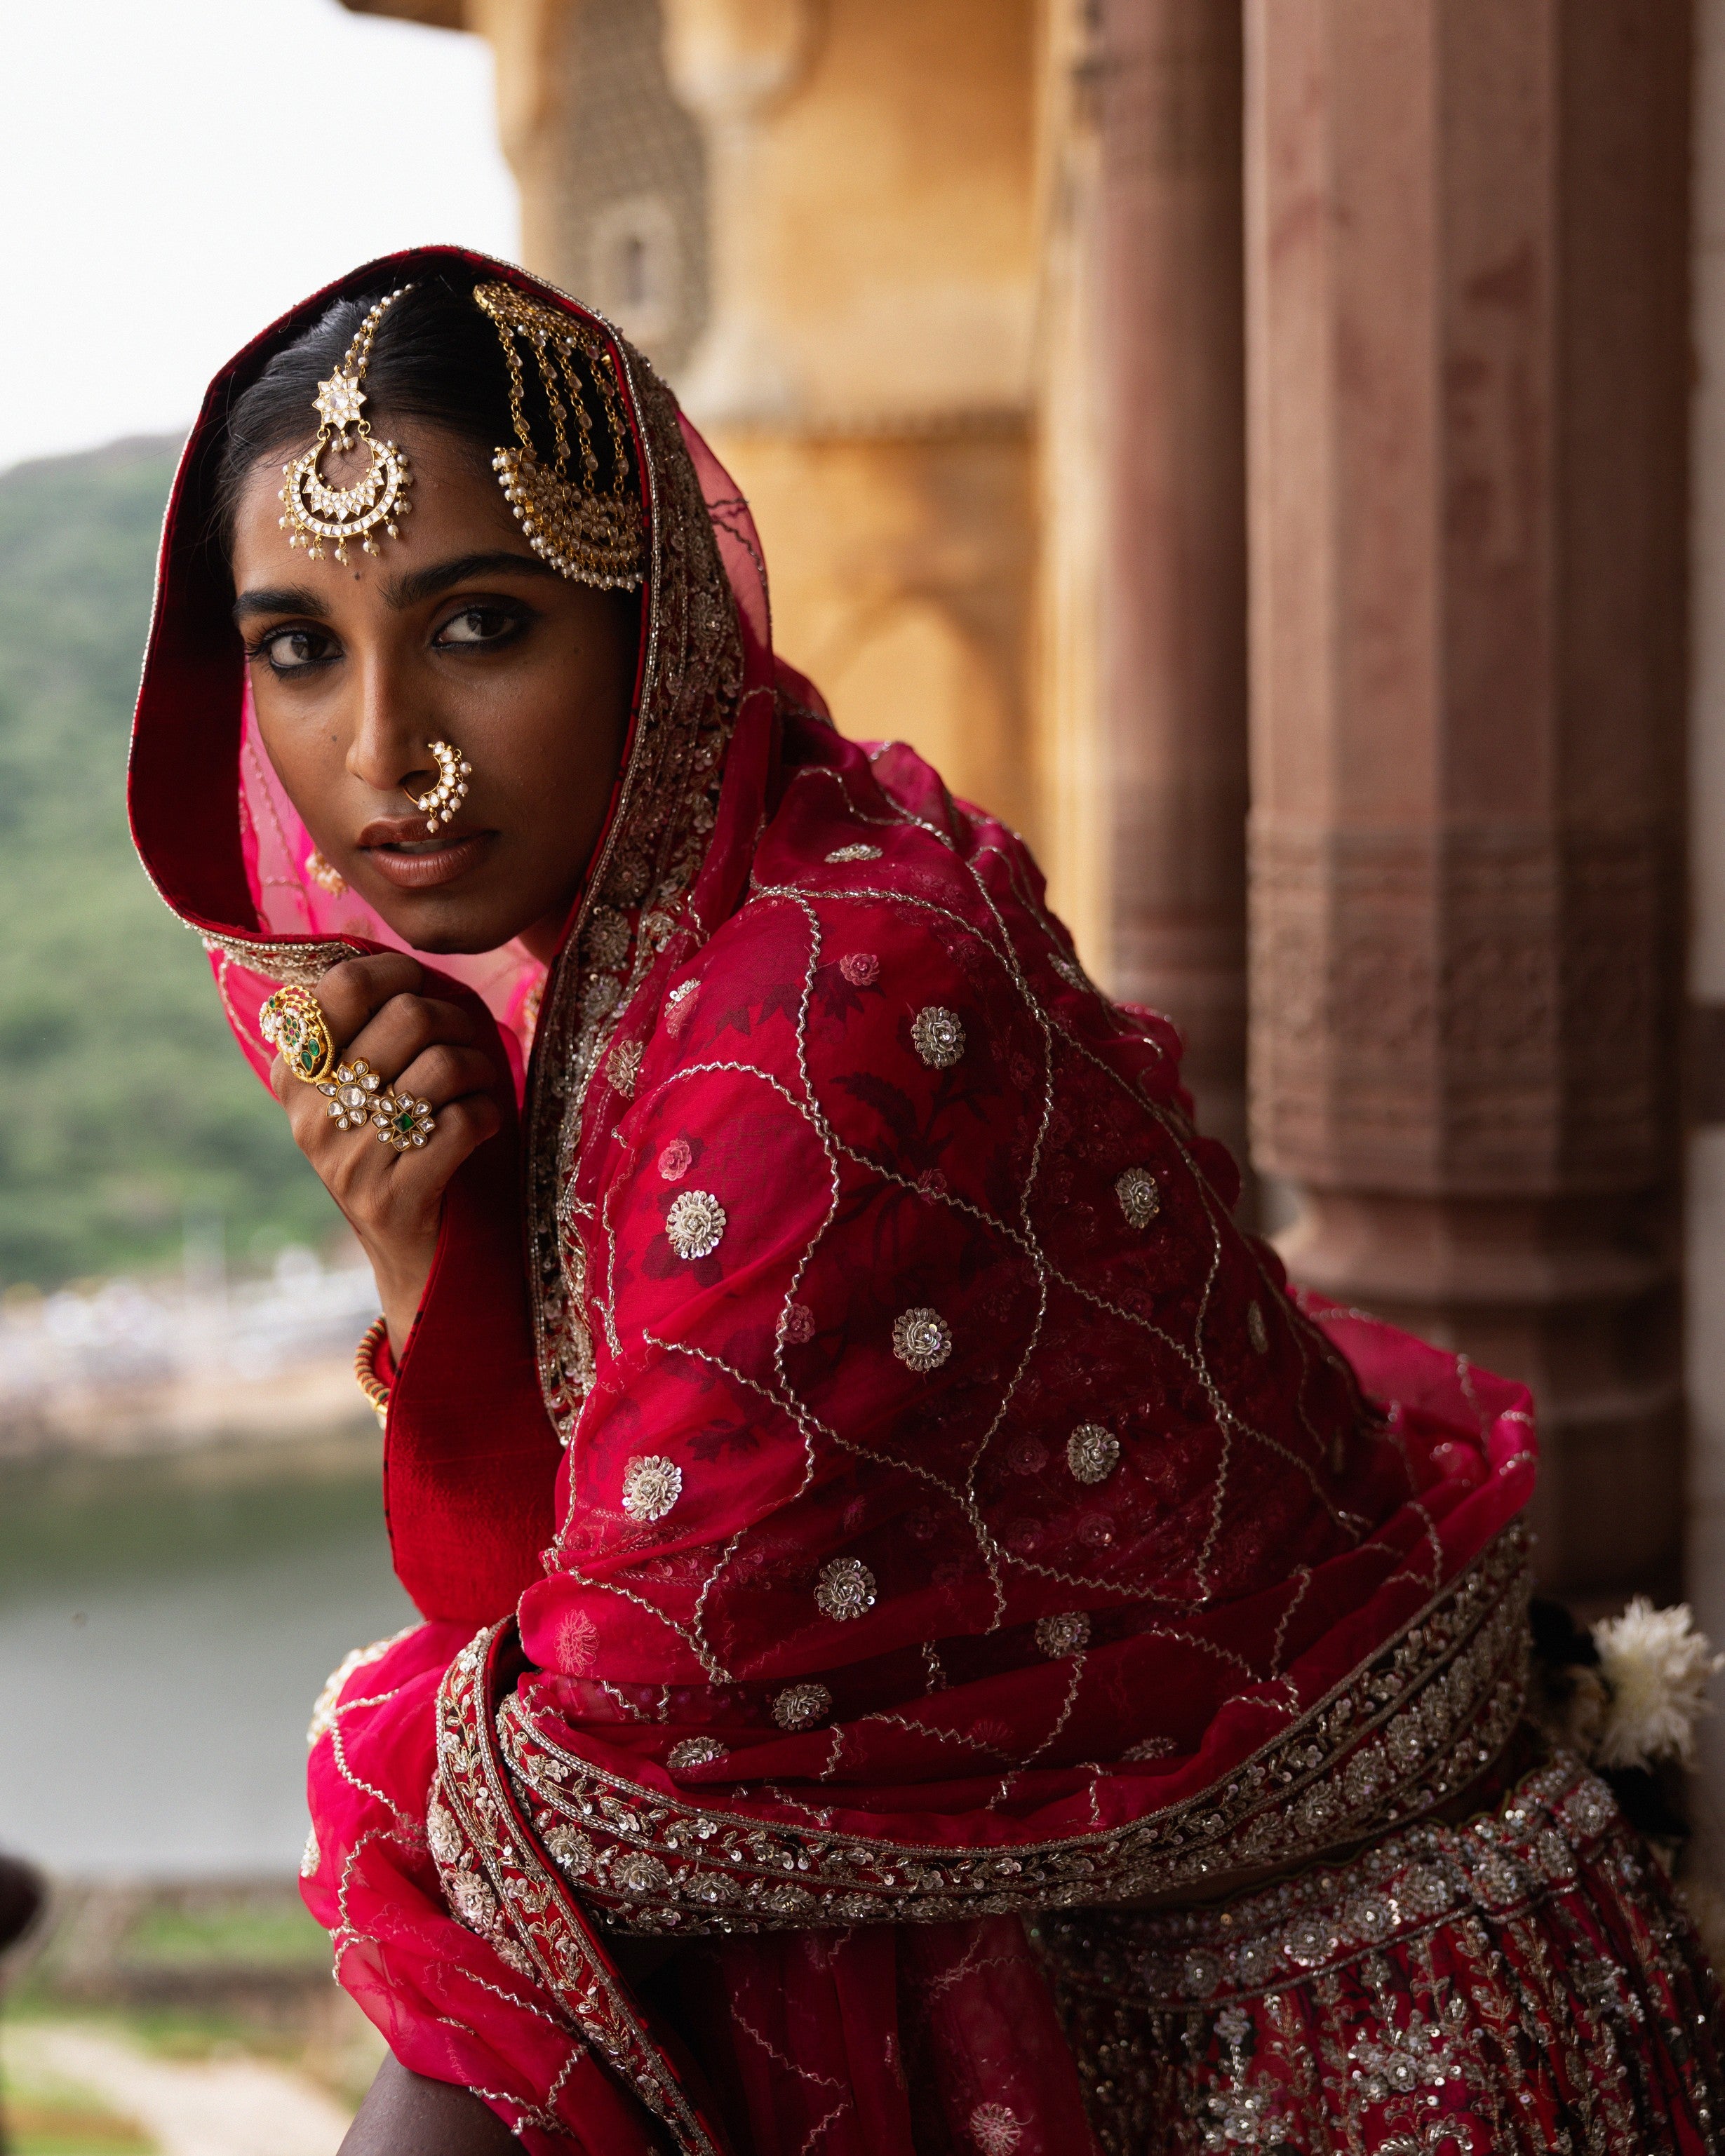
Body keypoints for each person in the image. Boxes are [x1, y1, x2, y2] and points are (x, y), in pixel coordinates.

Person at [128, 248, 1723, 2155]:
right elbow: (573, 1630)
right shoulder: (661, 948)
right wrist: (432, 1255)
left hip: (1293, 2031)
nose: (384, 751)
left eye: (478, 623)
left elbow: (613, 1752)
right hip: (1076, 1925)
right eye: (298, 646)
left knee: (463, 1941)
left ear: (652, 629)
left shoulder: (809, 1012)